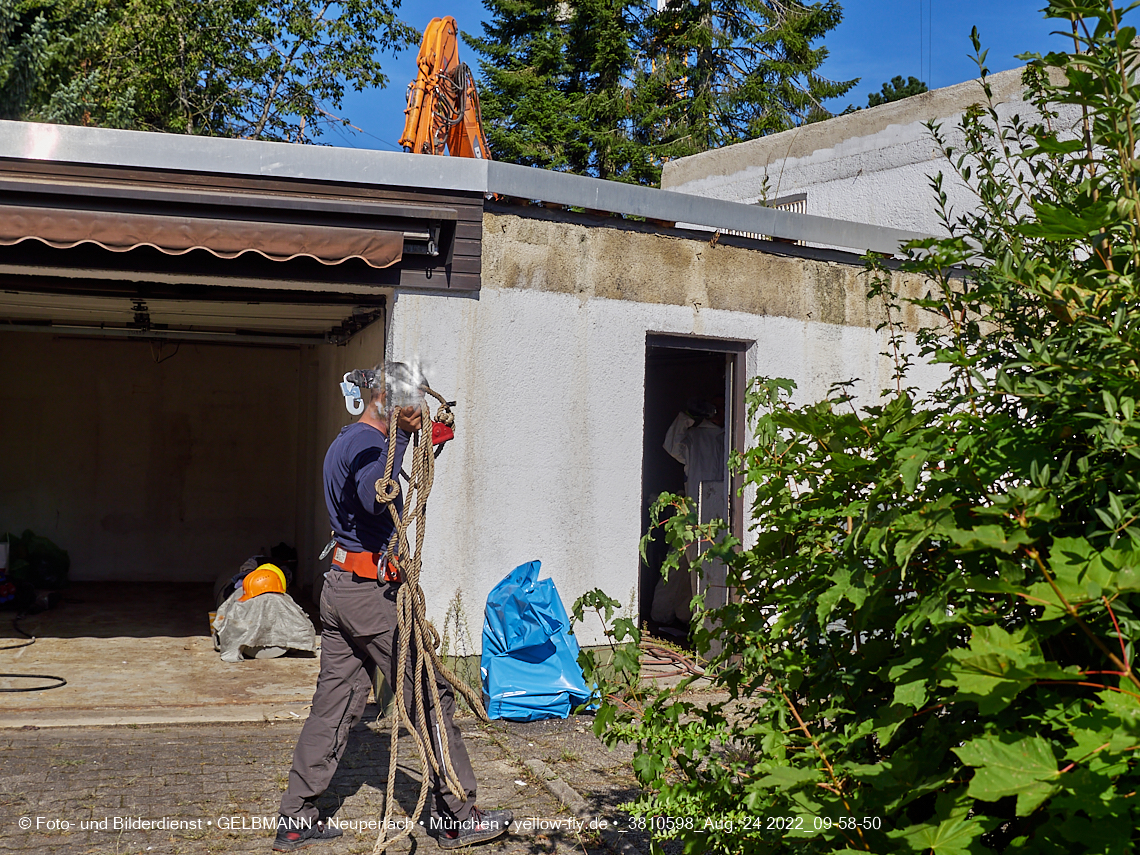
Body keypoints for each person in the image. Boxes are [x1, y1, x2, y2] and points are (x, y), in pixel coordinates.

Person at [274, 362, 512, 852]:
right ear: (389, 401)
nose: (420, 409)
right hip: (368, 597)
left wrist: (424, 440)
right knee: (430, 695)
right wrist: (402, 441)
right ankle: (458, 817)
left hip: (341, 588)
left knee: (334, 704)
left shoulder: (347, 440)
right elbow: (373, 493)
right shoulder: (367, 447)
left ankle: (297, 815)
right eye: (413, 402)